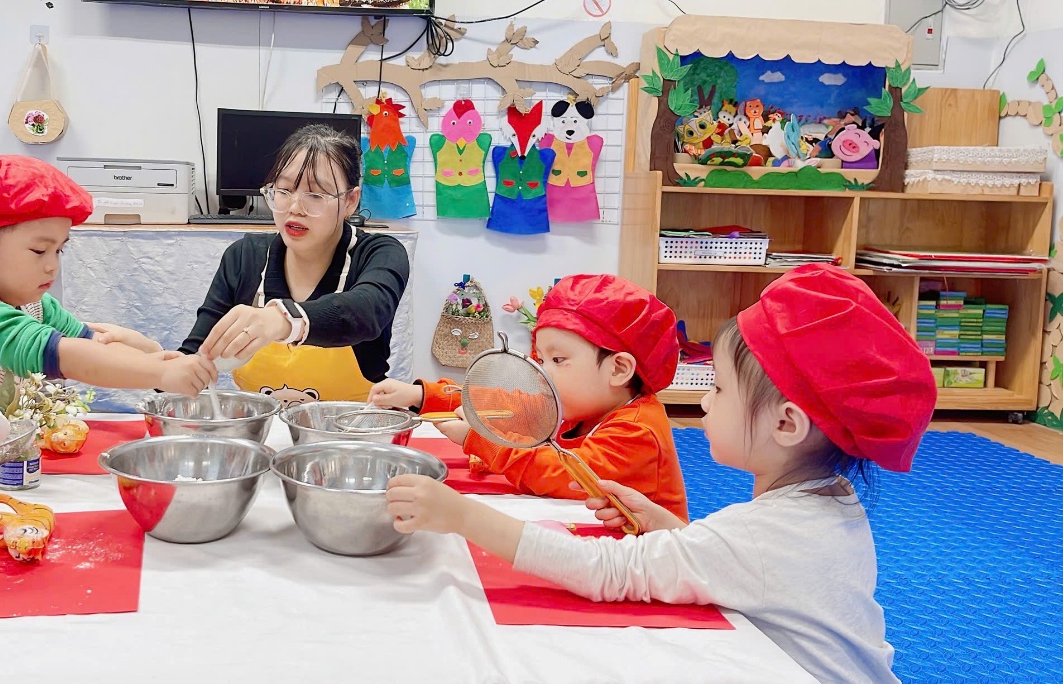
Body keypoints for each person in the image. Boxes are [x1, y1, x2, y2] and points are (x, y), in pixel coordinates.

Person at [387, 264, 935, 684]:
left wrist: (458, 514)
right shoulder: (830, 501)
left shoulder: (761, 532)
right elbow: (748, 569)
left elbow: (601, 570)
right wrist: (670, 527)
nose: (701, 404)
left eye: (718, 388)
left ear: (787, 423)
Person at [371, 274, 688, 520]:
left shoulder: (638, 430)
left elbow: (565, 476)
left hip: (647, 560)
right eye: (541, 359)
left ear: (618, 369)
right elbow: (508, 403)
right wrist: (425, 395)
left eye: (558, 360)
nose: (543, 372)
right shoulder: (579, 404)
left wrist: (482, 439)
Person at [0, 154, 215, 397]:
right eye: (38, 251)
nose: (52, 267)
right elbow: (66, 355)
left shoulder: (32, 302)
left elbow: (91, 342)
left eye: (58, 251)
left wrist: (156, 358)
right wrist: (160, 373)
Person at [181, 125, 410, 405]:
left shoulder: (379, 253)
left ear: (351, 201)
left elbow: (366, 310)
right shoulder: (244, 258)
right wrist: (154, 364)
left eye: (315, 195)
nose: (295, 207)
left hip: (350, 435)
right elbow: (198, 356)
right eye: (284, 190)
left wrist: (282, 319)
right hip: (262, 435)